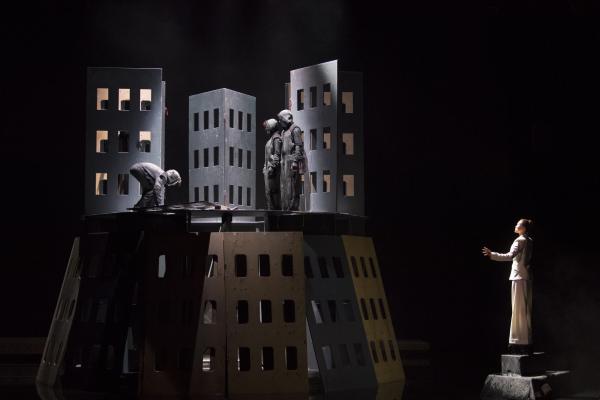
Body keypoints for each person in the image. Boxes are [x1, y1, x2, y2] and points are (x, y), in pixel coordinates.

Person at [482, 219, 534, 354]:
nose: (516, 225)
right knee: (524, 310)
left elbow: (510, 256)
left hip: (518, 277)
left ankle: (519, 342)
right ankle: (524, 341)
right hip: (526, 277)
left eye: (518, 224)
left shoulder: (520, 240)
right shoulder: (529, 240)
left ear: (523, 228)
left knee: (518, 310)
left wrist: (493, 254)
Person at [277, 109, 305, 211]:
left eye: (281, 119)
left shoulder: (295, 129)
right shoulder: (284, 132)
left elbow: (298, 146)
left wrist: (295, 161)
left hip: (291, 162)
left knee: (291, 186)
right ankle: (285, 207)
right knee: (284, 186)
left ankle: (292, 208)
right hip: (284, 162)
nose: (280, 122)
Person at [262, 118, 282, 210]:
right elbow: (268, 155)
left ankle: (275, 213)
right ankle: (271, 211)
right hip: (268, 170)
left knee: (274, 192)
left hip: (273, 171)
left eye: (267, 127)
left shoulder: (276, 139)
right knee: (269, 193)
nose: (266, 129)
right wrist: (265, 167)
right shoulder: (272, 139)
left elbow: (277, 154)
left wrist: (272, 167)